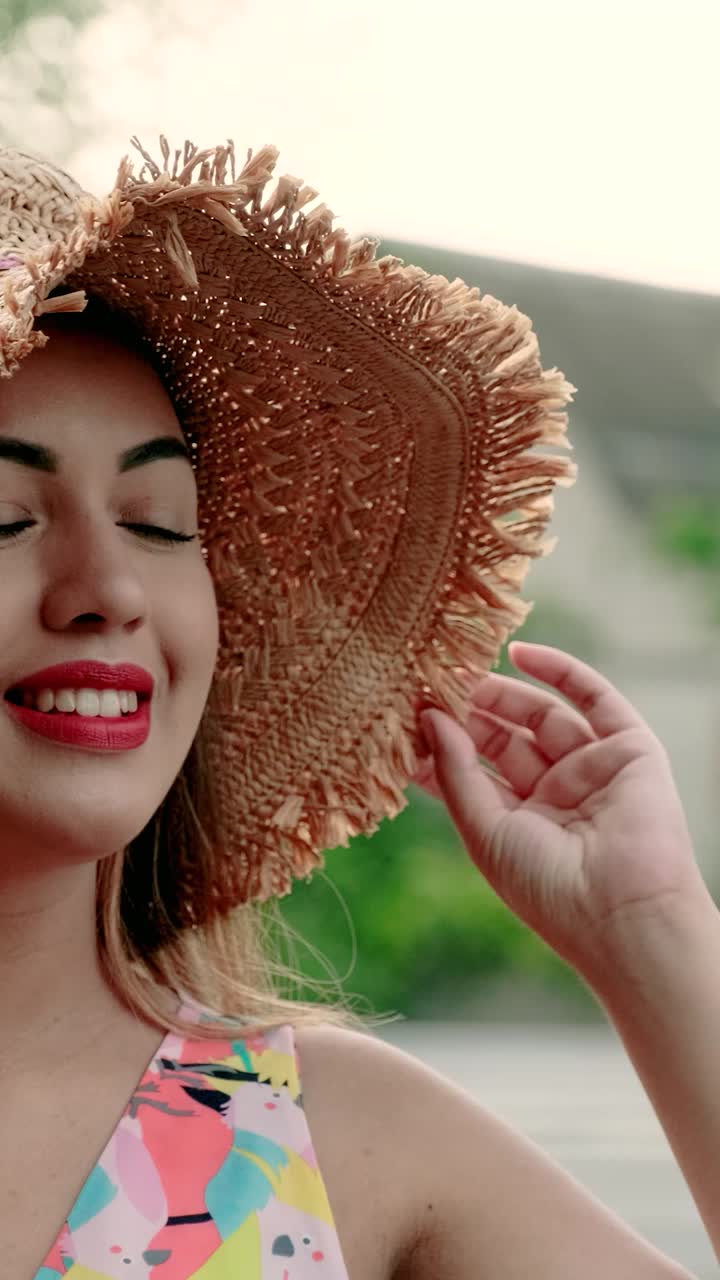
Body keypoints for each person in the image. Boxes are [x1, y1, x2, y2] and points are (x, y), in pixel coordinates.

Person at [0, 136, 716, 1280]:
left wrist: (656, 941)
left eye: (159, 520)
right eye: (5, 517)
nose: (112, 590)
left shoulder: (335, 1146)